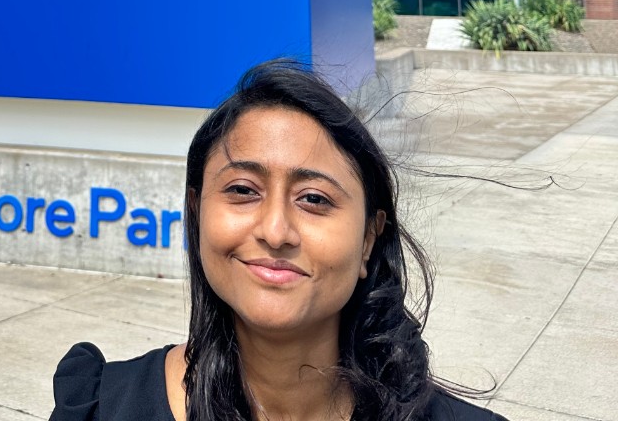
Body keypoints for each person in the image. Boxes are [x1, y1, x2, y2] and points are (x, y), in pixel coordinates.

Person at [48, 59, 508, 421]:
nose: (274, 231)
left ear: (369, 238)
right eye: (242, 190)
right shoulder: (101, 406)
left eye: (314, 198)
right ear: (197, 211)